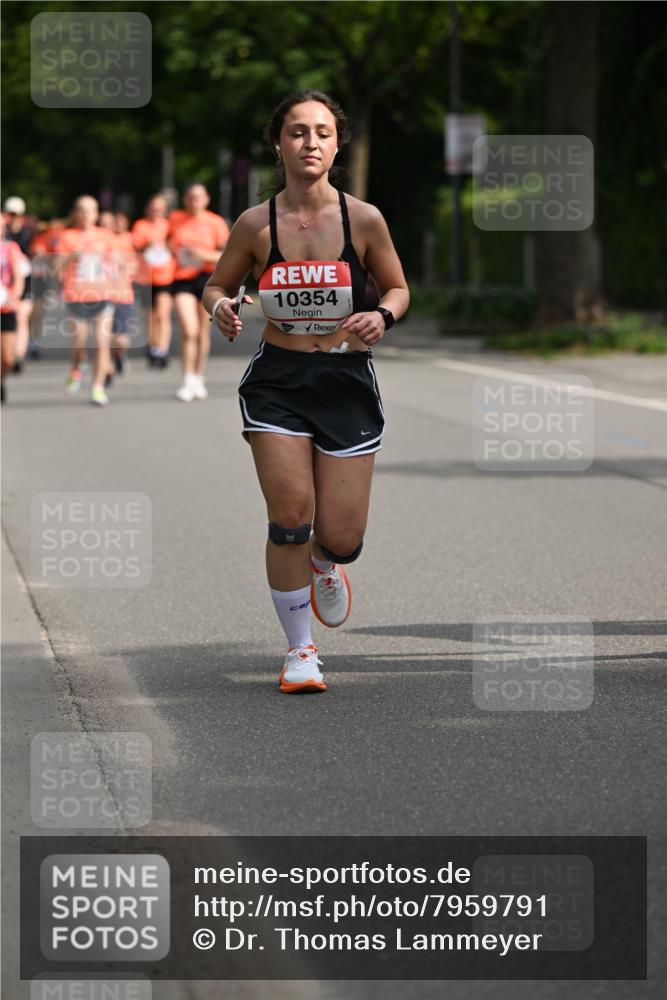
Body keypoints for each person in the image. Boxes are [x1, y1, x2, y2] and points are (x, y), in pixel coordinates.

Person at [203, 90, 409, 693]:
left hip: (346, 380)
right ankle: (301, 653)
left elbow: (398, 289)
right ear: (279, 143)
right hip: (278, 382)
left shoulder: (363, 219)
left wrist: (384, 317)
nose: (310, 142)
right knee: (289, 518)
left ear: (336, 143)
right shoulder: (254, 224)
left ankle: (324, 563)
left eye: (322, 132)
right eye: (297, 132)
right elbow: (216, 284)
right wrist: (222, 307)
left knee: (342, 538)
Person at [168, 183, 229, 401]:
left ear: (206, 199)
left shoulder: (215, 222)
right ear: (185, 199)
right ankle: (187, 377)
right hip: (182, 279)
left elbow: (227, 255)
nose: (195, 201)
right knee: (189, 329)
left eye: (199, 197)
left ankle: (198, 375)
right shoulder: (175, 220)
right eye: (191, 197)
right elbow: (164, 246)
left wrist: (202, 254)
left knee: (203, 331)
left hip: (207, 279)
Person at [55, 195, 118, 406]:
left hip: (102, 296)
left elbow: (118, 264)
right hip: (76, 295)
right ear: (75, 213)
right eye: (82, 210)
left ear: (97, 213)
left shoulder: (106, 236)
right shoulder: (66, 237)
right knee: (80, 342)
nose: (86, 214)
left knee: (102, 343)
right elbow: (56, 268)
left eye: (90, 210)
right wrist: (73, 256)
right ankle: (76, 367)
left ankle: (98, 387)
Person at [131, 194, 175, 368]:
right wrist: (146, 245)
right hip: (145, 277)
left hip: (166, 275)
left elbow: (176, 244)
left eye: (159, 207)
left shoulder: (169, 226)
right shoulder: (140, 225)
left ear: (164, 210)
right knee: (150, 316)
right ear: (148, 209)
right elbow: (134, 247)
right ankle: (153, 346)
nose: (156, 210)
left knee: (163, 314)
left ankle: (162, 350)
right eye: (153, 207)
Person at [3, 196, 35, 368]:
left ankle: (18, 355)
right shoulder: (3, 232)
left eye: (16, 214)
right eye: (10, 214)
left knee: (22, 317)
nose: (13, 217)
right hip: (5, 285)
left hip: (24, 281)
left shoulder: (28, 233)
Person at [0, 215, 26, 403]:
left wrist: (13, 297)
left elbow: (18, 277)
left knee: (8, 358)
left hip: (5, 306)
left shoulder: (10, 248)